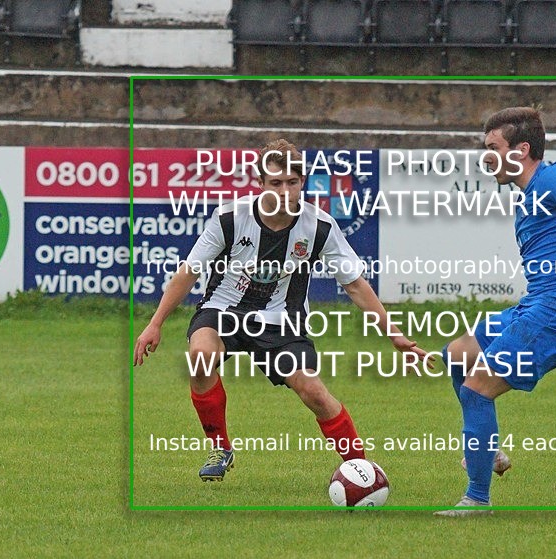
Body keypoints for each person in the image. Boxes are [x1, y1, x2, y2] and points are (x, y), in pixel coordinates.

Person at [133, 139, 428, 482]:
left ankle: (361, 470)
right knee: (200, 356)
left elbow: (355, 285)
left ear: (303, 182)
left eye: (292, 182)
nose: (285, 191)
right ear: (260, 184)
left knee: (313, 391)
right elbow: (189, 272)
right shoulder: (230, 217)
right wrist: (155, 323)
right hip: (223, 309)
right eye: (275, 183)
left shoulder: (319, 227)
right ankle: (221, 447)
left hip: (281, 319)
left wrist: (395, 336)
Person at [436, 107, 556, 516]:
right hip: (537, 304)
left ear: (521, 151)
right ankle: (487, 449)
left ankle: (477, 498)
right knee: (457, 354)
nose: (486, 157)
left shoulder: (552, 178)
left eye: (492, 148)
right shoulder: (528, 193)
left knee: (476, 389)